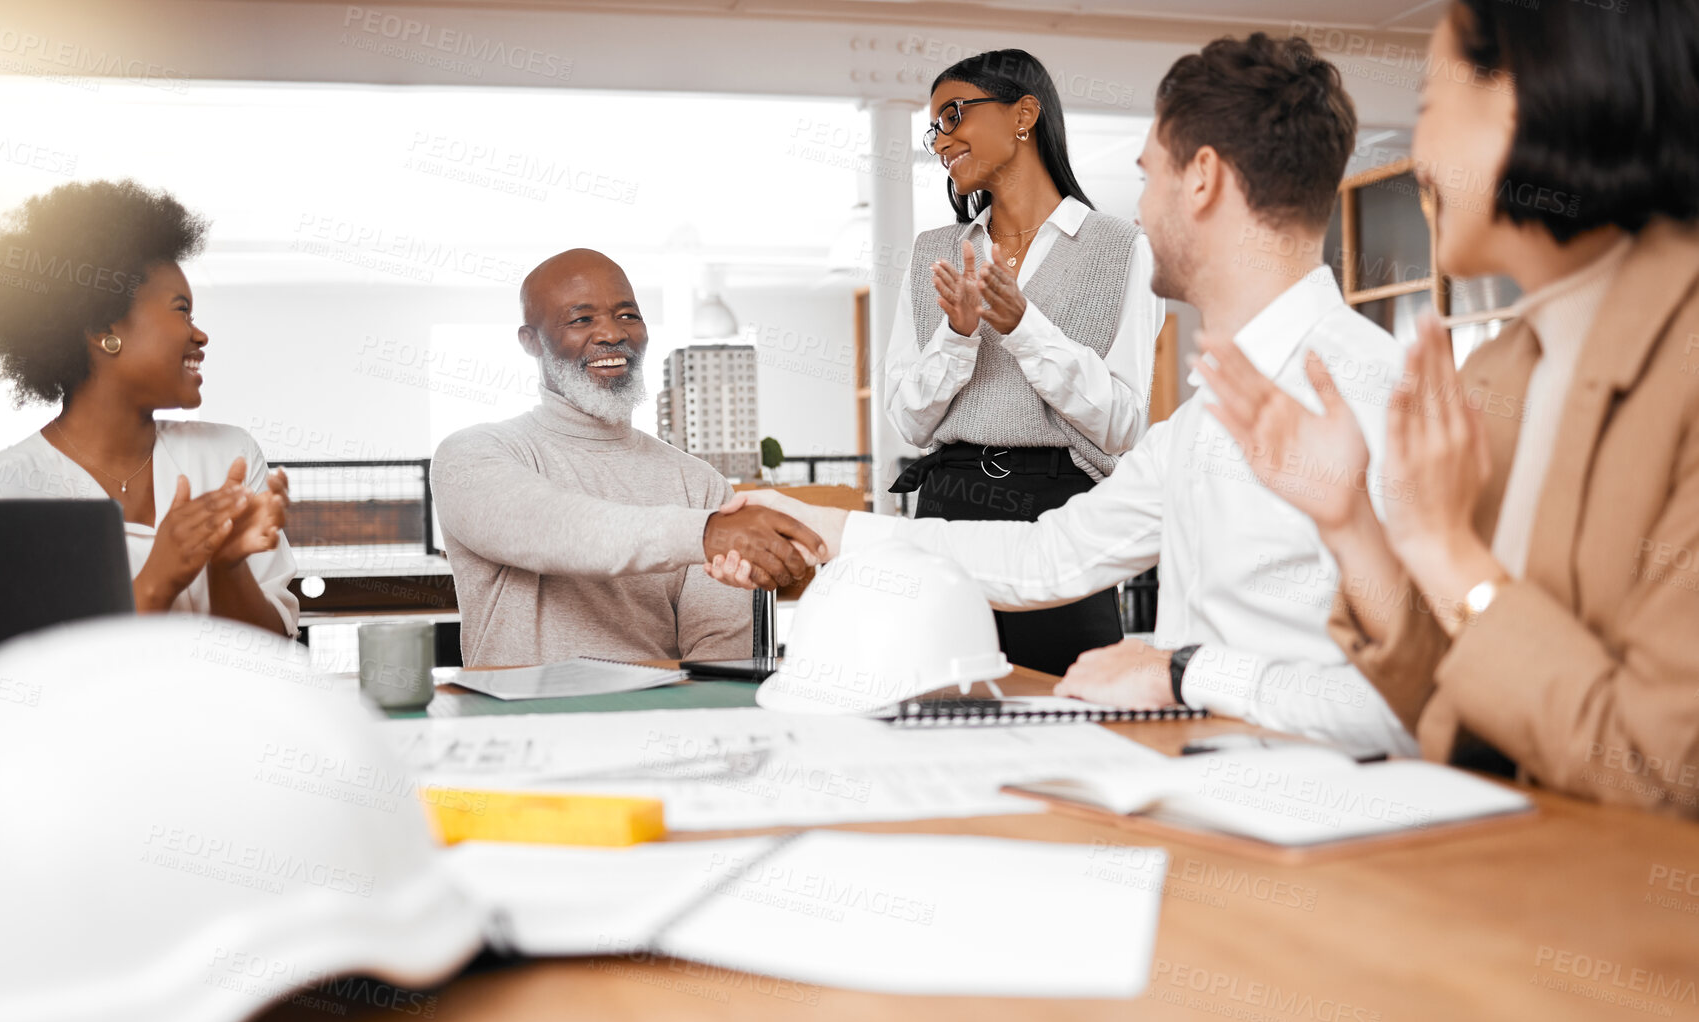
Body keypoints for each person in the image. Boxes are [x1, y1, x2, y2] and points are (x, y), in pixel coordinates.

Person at [712, 34, 1417, 756]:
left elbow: (1420, 705)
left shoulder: (1378, 394)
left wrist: (1180, 673)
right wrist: (823, 527)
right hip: (1202, 794)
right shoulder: (1201, 423)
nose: (1138, 211)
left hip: (1321, 823)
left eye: (1147, 177)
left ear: (1200, 179)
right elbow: (1048, 557)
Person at [1196, 1, 1699, 813]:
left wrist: (1446, 554)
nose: (1417, 155)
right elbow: (1456, 699)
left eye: (1430, 107)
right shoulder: (1501, 367)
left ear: (1532, 93)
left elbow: (1660, 774)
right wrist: (1347, 519)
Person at [885, 48, 1165, 676]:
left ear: (1024, 114)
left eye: (954, 114)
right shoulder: (935, 250)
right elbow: (908, 421)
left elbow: (1123, 424)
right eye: (934, 127)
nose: (941, 139)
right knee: (938, 707)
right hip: (948, 505)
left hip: (1062, 512)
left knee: (1072, 714)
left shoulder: (1122, 249)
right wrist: (957, 337)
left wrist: (1023, 327)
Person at [431, 249, 826, 668]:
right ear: (531, 342)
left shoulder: (699, 484)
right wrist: (707, 533)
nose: (611, 334)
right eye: (582, 319)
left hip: (656, 721)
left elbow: (720, 656)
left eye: (627, 315)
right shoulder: (470, 455)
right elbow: (552, 527)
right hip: (519, 723)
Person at [0, 180, 296, 636]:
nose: (200, 335)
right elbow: (19, 676)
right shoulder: (0, 492)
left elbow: (272, 650)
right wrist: (159, 579)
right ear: (105, 329)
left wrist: (226, 567)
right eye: (182, 310)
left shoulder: (227, 456)